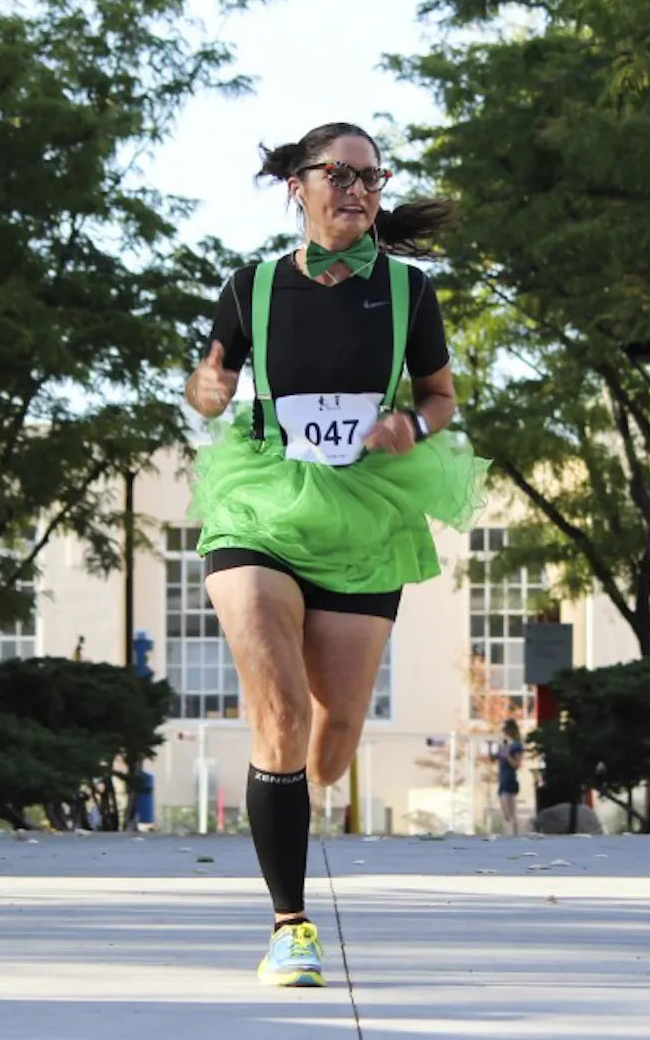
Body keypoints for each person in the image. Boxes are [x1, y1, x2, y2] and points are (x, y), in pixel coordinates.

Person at [183, 122, 488, 988]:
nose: (357, 188)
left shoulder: (408, 291)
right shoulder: (251, 287)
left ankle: (296, 796)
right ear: (299, 185)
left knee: (335, 728)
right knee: (278, 705)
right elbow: (210, 379)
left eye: (371, 177)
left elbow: (441, 398)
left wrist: (409, 425)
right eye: (339, 173)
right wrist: (206, 387)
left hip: (364, 509)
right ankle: (290, 924)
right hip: (263, 499)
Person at [497, 719, 525, 835]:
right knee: (505, 812)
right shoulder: (505, 745)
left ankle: (514, 834)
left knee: (511, 812)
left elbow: (517, 764)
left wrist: (508, 755)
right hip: (502, 779)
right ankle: (512, 832)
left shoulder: (516, 746)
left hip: (510, 779)